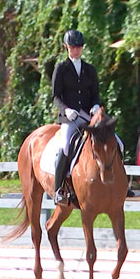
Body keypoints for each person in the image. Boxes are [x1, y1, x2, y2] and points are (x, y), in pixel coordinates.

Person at [51, 29, 101, 205]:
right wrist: (66, 110)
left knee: (116, 141)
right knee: (65, 145)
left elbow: (95, 94)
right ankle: (59, 190)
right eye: (73, 47)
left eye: (79, 47)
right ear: (66, 47)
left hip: (88, 117)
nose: (76, 50)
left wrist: (95, 105)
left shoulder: (90, 69)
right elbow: (56, 96)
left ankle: (122, 184)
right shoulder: (61, 68)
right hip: (70, 117)